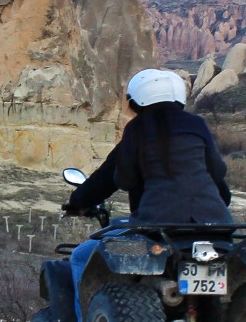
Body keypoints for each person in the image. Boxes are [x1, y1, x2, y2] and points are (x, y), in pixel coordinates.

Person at [63, 69, 232, 224]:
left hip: (157, 226)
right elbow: (218, 172)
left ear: (137, 100)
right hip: (215, 226)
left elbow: (120, 179)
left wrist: (77, 201)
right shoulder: (197, 124)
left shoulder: (137, 129)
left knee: (89, 252)